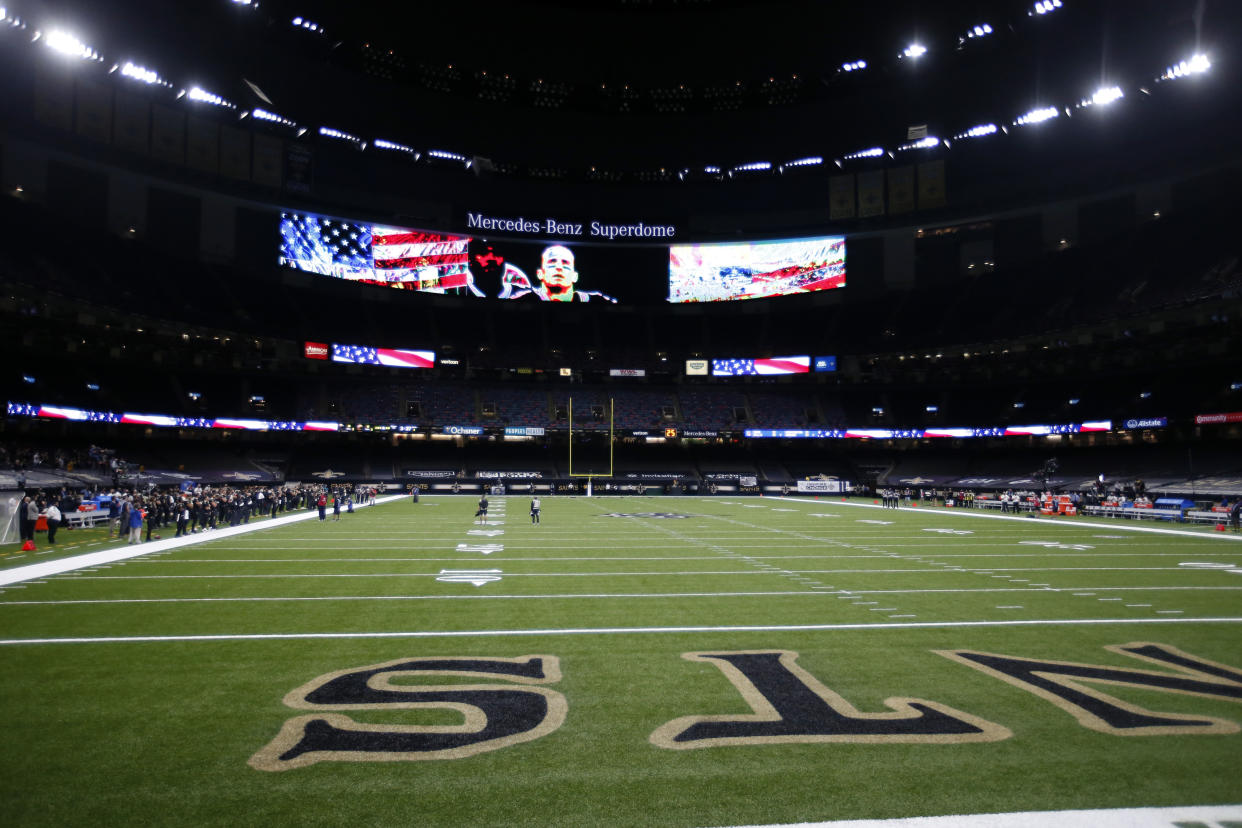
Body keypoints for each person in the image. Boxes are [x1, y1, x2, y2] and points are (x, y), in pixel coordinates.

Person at [512, 245, 616, 303]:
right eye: (552, 263)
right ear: (540, 274)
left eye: (565, 264)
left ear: (575, 276)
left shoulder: (596, 301)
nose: (559, 267)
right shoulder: (522, 300)